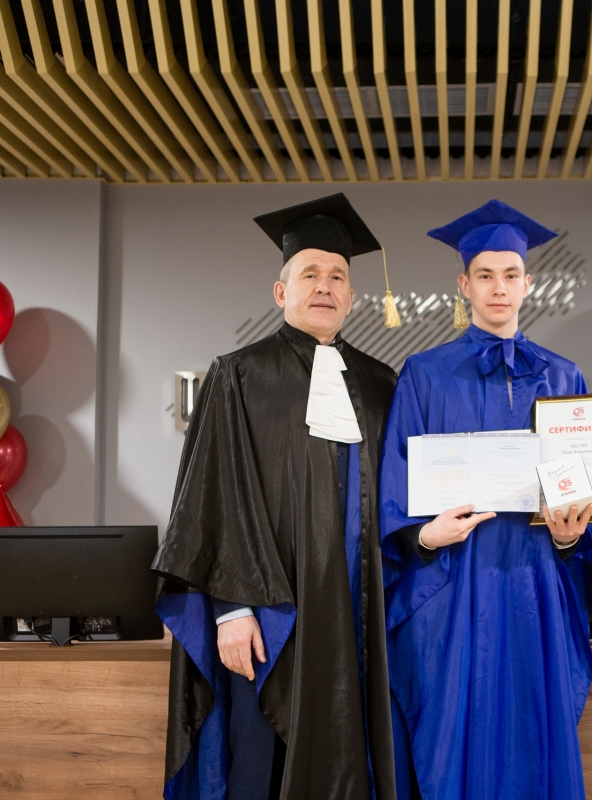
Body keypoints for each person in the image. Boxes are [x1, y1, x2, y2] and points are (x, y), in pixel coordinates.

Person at [152, 194, 399, 800]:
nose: (325, 286)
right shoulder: (239, 374)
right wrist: (231, 610)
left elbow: (399, 496)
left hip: (357, 607)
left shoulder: (380, 383)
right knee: (260, 760)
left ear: (351, 296)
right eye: (310, 274)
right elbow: (214, 494)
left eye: (337, 276)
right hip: (270, 611)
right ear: (281, 291)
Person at [379, 199, 592, 800]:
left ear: (529, 283)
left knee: (533, 726)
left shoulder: (563, 377)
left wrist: (570, 535)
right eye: (485, 275)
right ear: (464, 285)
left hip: (535, 582)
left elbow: (585, 501)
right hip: (455, 583)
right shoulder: (424, 374)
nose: (498, 287)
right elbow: (395, 484)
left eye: (510, 274)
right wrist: (425, 536)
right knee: (457, 728)